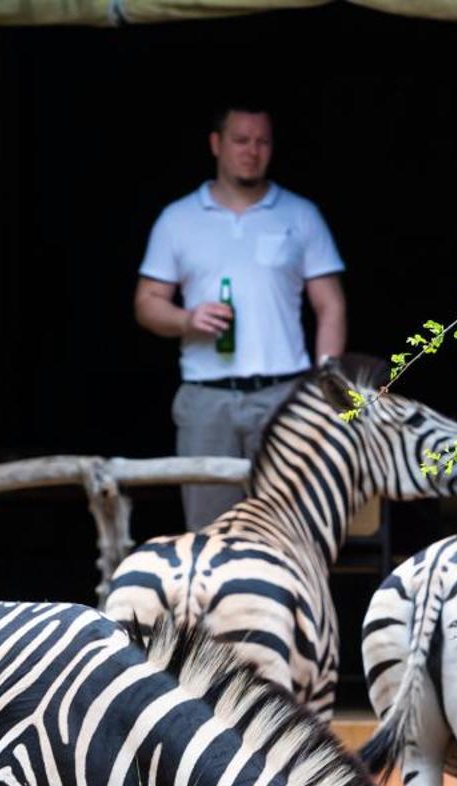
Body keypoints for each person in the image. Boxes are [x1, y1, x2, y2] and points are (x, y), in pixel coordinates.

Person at [135, 104, 347, 528]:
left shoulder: (299, 214)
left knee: (291, 524)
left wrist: (326, 383)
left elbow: (331, 305)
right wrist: (186, 319)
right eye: (241, 140)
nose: (252, 151)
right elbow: (147, 301)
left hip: (283, 393)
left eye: (262, 141)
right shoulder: (178, 219)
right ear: (216, 145)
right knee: (209, 530)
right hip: (206, 398)